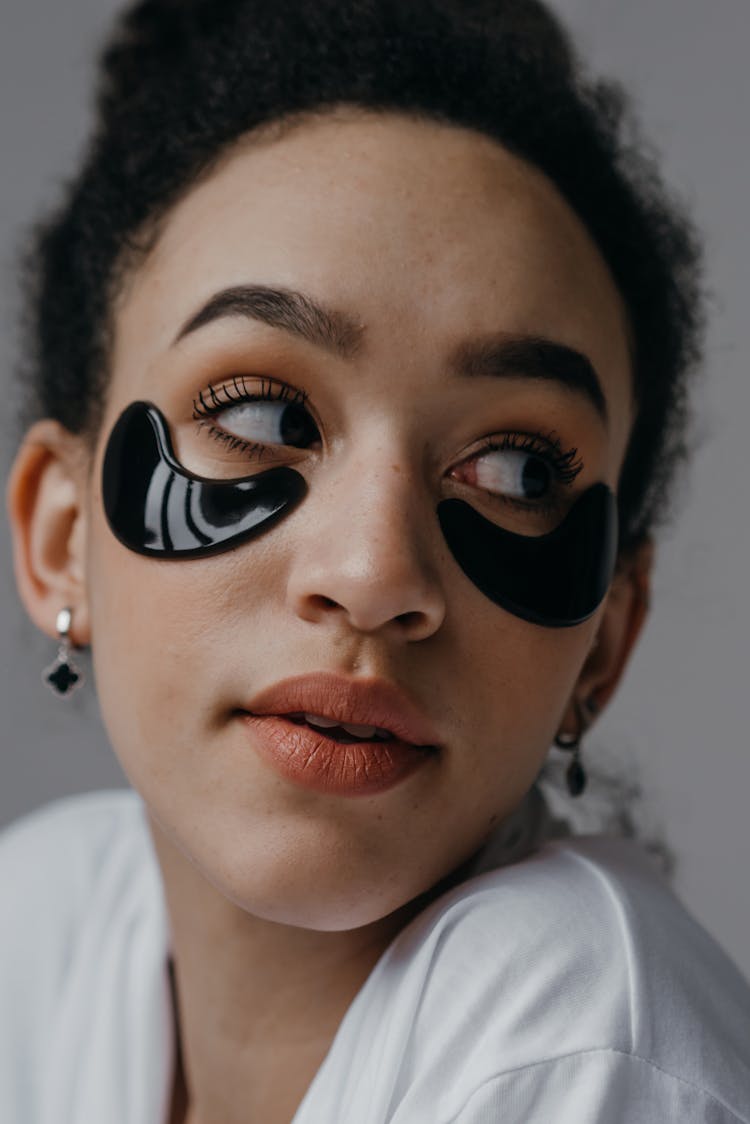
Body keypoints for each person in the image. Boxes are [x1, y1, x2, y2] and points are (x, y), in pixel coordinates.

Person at [2, 0, 749, 1121]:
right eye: (257, 411)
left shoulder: (578, 1048)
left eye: (518, 471)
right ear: (60, 539)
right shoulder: (35, 927)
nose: (373, 572)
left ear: (604, 637)